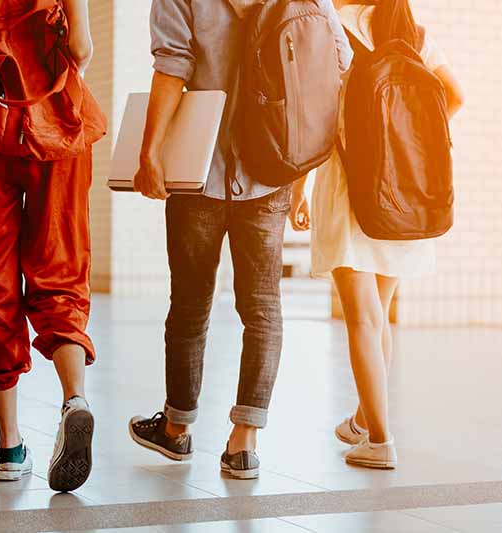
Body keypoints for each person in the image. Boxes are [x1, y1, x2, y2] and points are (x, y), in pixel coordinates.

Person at [128, 0, 352, 480]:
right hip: (270, 173)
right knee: (263, 309)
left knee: (189, 304)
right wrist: (302, 169)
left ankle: (175, 428)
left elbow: (172, 67)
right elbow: (337, 64)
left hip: (199, 172)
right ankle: (244, 442)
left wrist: (149, 153)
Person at [290, 0, 465, 469]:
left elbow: (316, 118)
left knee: (363, 319)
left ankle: (381, 440)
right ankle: (366, 420)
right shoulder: (415, 33)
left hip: (351, 188)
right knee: (378, 317)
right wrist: (404, 137)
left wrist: (298, 187)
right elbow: (456, 96)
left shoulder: (332, 28)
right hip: (404, 191)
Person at [0, 0, 100, 491]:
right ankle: (74, 400)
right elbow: (81, 47)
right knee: (60, 267)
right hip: (58, 126)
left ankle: (11, 448)